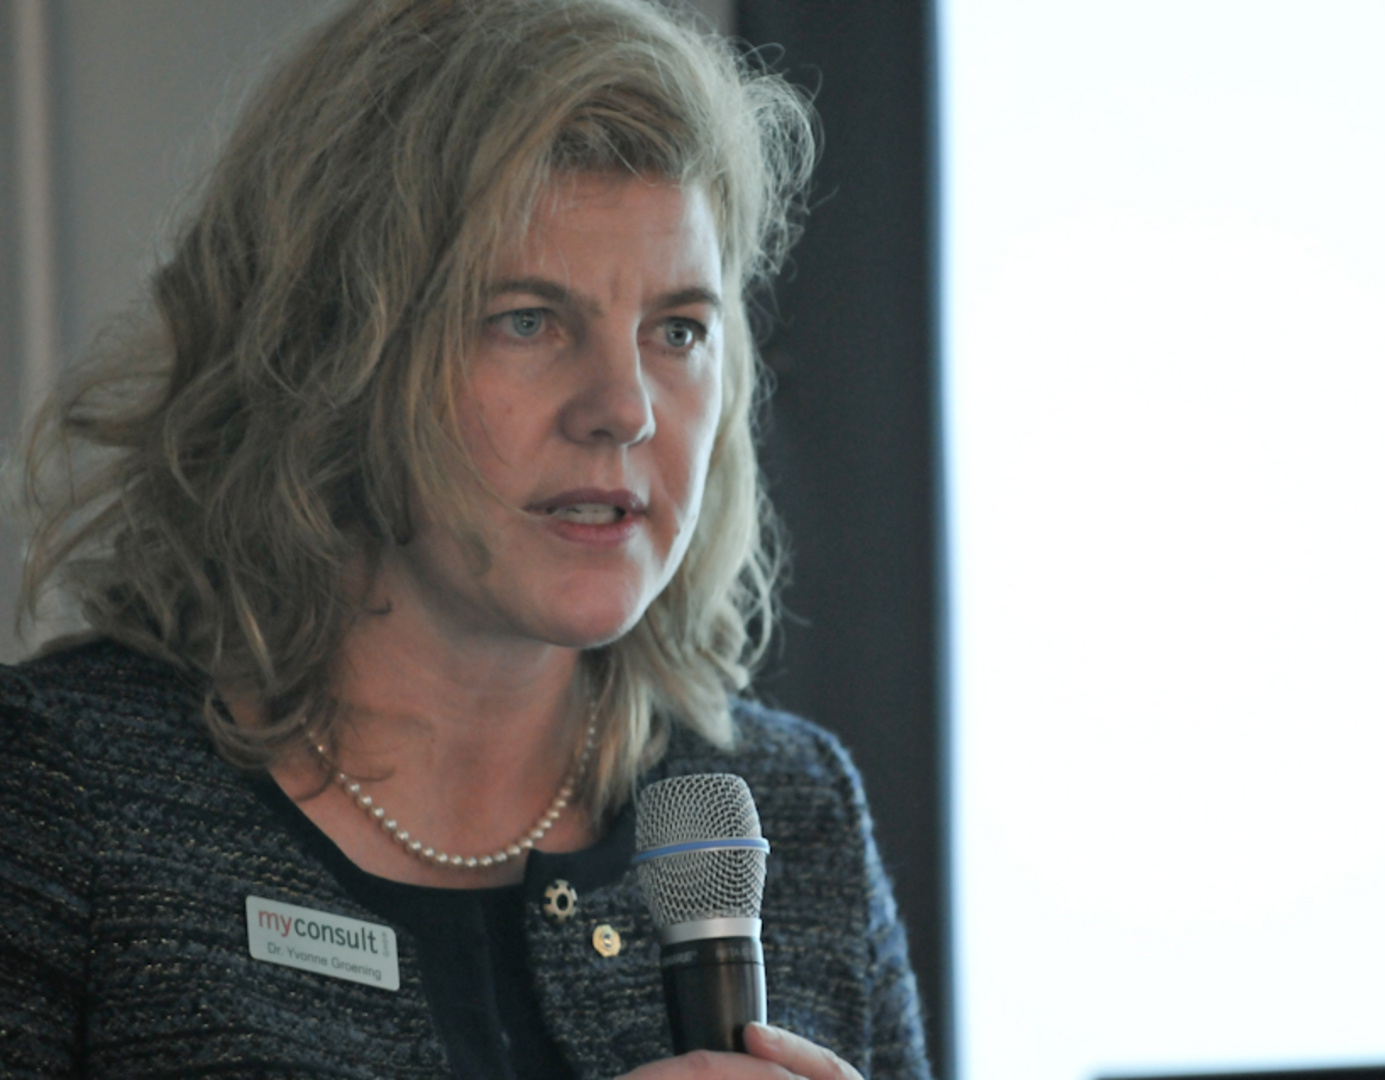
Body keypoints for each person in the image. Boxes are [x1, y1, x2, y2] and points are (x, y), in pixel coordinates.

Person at [0, 1, 931, 1077]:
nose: (624, 409)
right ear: (333, 351)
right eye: (527, 319)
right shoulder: (63, 793)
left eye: (677, 330)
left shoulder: (792, 815)